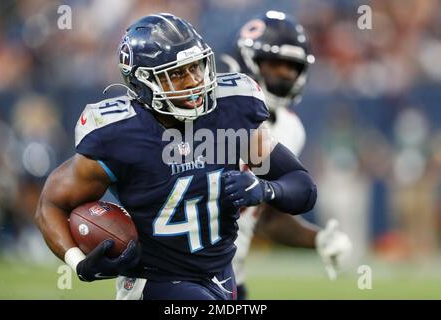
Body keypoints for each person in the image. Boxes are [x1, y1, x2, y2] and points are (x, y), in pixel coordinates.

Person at [35, 13, 317, 300]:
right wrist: (77, 262)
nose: (194, 81)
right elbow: (52, 203)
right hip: (155, 282)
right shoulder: (119, 134)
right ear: (145, 80)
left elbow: (302, 187)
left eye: (196, 67)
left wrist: (266, 190)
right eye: (178, 73)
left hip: (221, 275)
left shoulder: (231, 110)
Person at [218, 11, 352, 299]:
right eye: (274, 64)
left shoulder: (291, 129)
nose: (284, 74)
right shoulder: (208, 114)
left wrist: (318, 239)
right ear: (246, 60)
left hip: (232, 281)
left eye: (291, 67)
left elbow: (267, 216)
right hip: (179, 275)